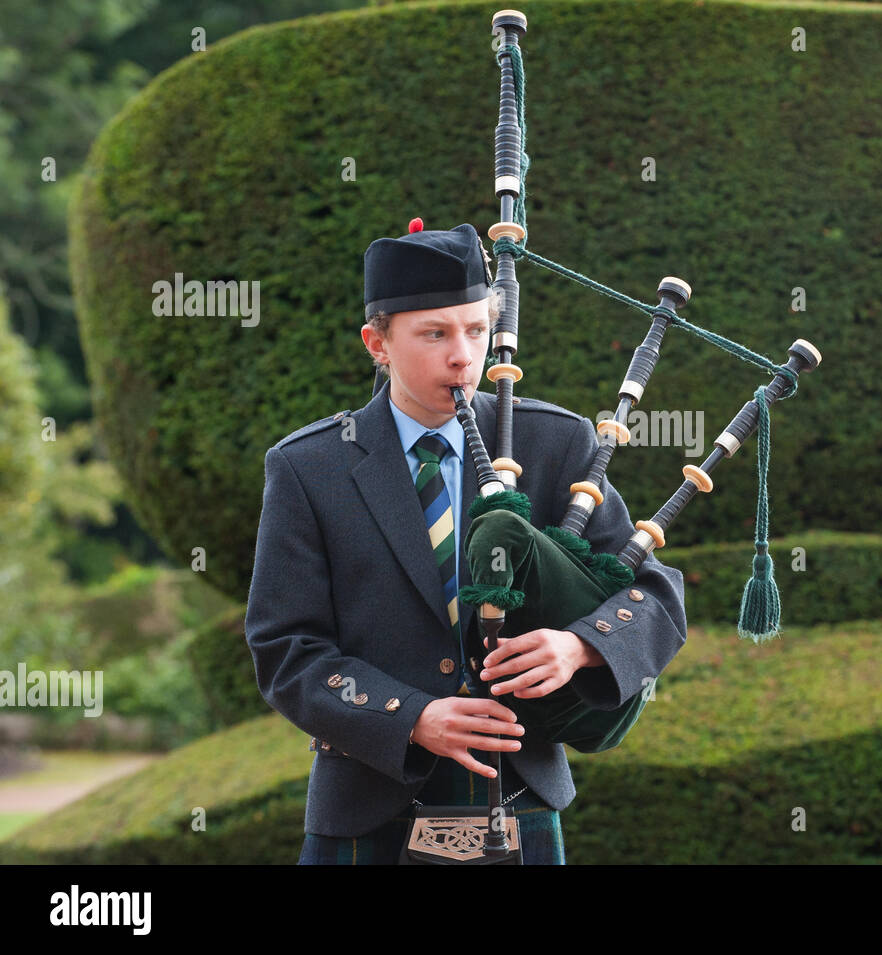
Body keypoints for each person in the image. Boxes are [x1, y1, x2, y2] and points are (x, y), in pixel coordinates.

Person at [244, 222, 688, 864]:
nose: (463, 356)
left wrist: (580, 646)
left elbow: (656, 594)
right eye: (434, 334)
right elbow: (286, 648)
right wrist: (411, 716)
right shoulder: (310, 468)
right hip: (370, 801)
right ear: (378, 343)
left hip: (519, 793)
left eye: (476, 330)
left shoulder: (553, 444)